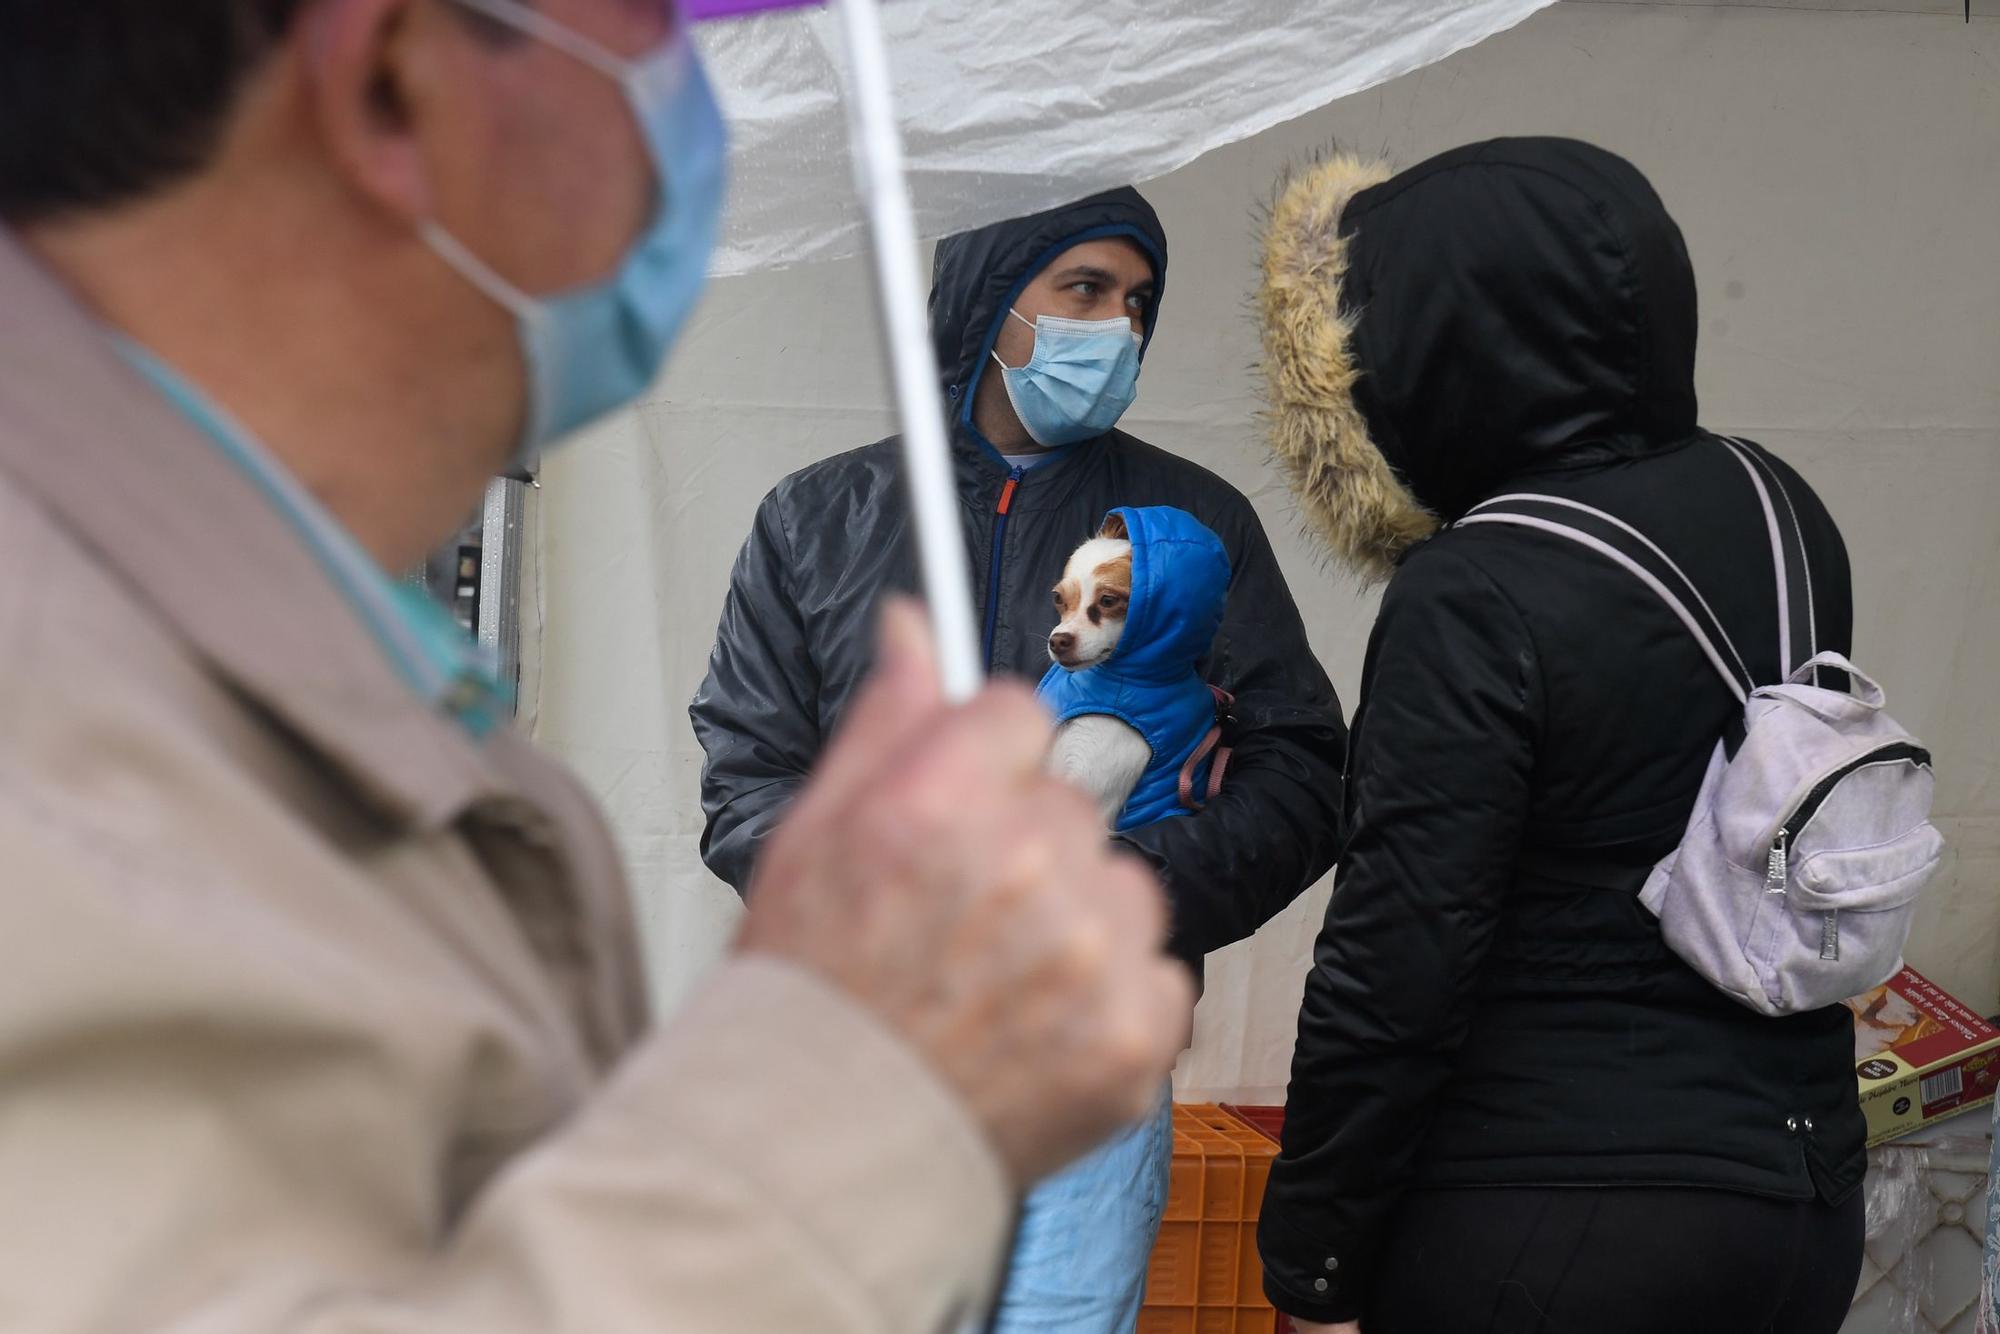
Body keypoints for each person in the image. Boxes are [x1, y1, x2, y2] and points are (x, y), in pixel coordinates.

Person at [0, 3, 1195, 1330]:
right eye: (645, 44)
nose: (689, 122)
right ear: (400, 78)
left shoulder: (311, 667)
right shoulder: (56, 709)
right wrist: (865, 1056)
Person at [691, 189, 1348, 1329]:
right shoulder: (816, 518)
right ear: (990, 303)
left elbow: (1298, 776)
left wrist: (1126, 890)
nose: (1120, 329)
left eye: (1137, 301)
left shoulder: (1189, 528)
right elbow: (746, 777)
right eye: (1083, 291)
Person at [1252, 138, 1867, 1334]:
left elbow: (1398, 960)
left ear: (1442, 344)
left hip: (1547, 1211)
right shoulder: (1782, 506)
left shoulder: (1473, 584)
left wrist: (1310, 1260)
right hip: (1794, 1197)